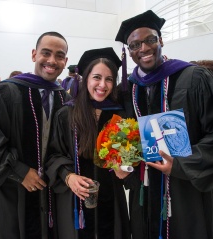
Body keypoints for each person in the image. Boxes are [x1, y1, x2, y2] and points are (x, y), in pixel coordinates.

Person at [115, 10, 213, 239]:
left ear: (161, 40)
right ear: (129, 51)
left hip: (186, 188)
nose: (144, 48)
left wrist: (181, 163)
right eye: (135, 44)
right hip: (145, 188)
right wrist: (124, 163)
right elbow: (125, 136)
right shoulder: (128, 89)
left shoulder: (195, 78)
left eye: (150, 40)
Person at [0, 31, 71, 239]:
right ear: (34, 54)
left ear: (65, 61)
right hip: (12, 189)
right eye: (46, 53)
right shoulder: (5, 92)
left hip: (52, 192)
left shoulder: (64, 98)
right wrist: (19, 170)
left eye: (59, 55)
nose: (52, 60)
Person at [46, 47, 131, 239]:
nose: (103, 85)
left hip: (111, 200)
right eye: (97, 77)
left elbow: (128, 158)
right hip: (76, 200)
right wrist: (68, 177)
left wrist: (126, 168)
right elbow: (53, 155)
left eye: (109, 79)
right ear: (85, 78)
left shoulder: (120, 115)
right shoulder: (66, 114)